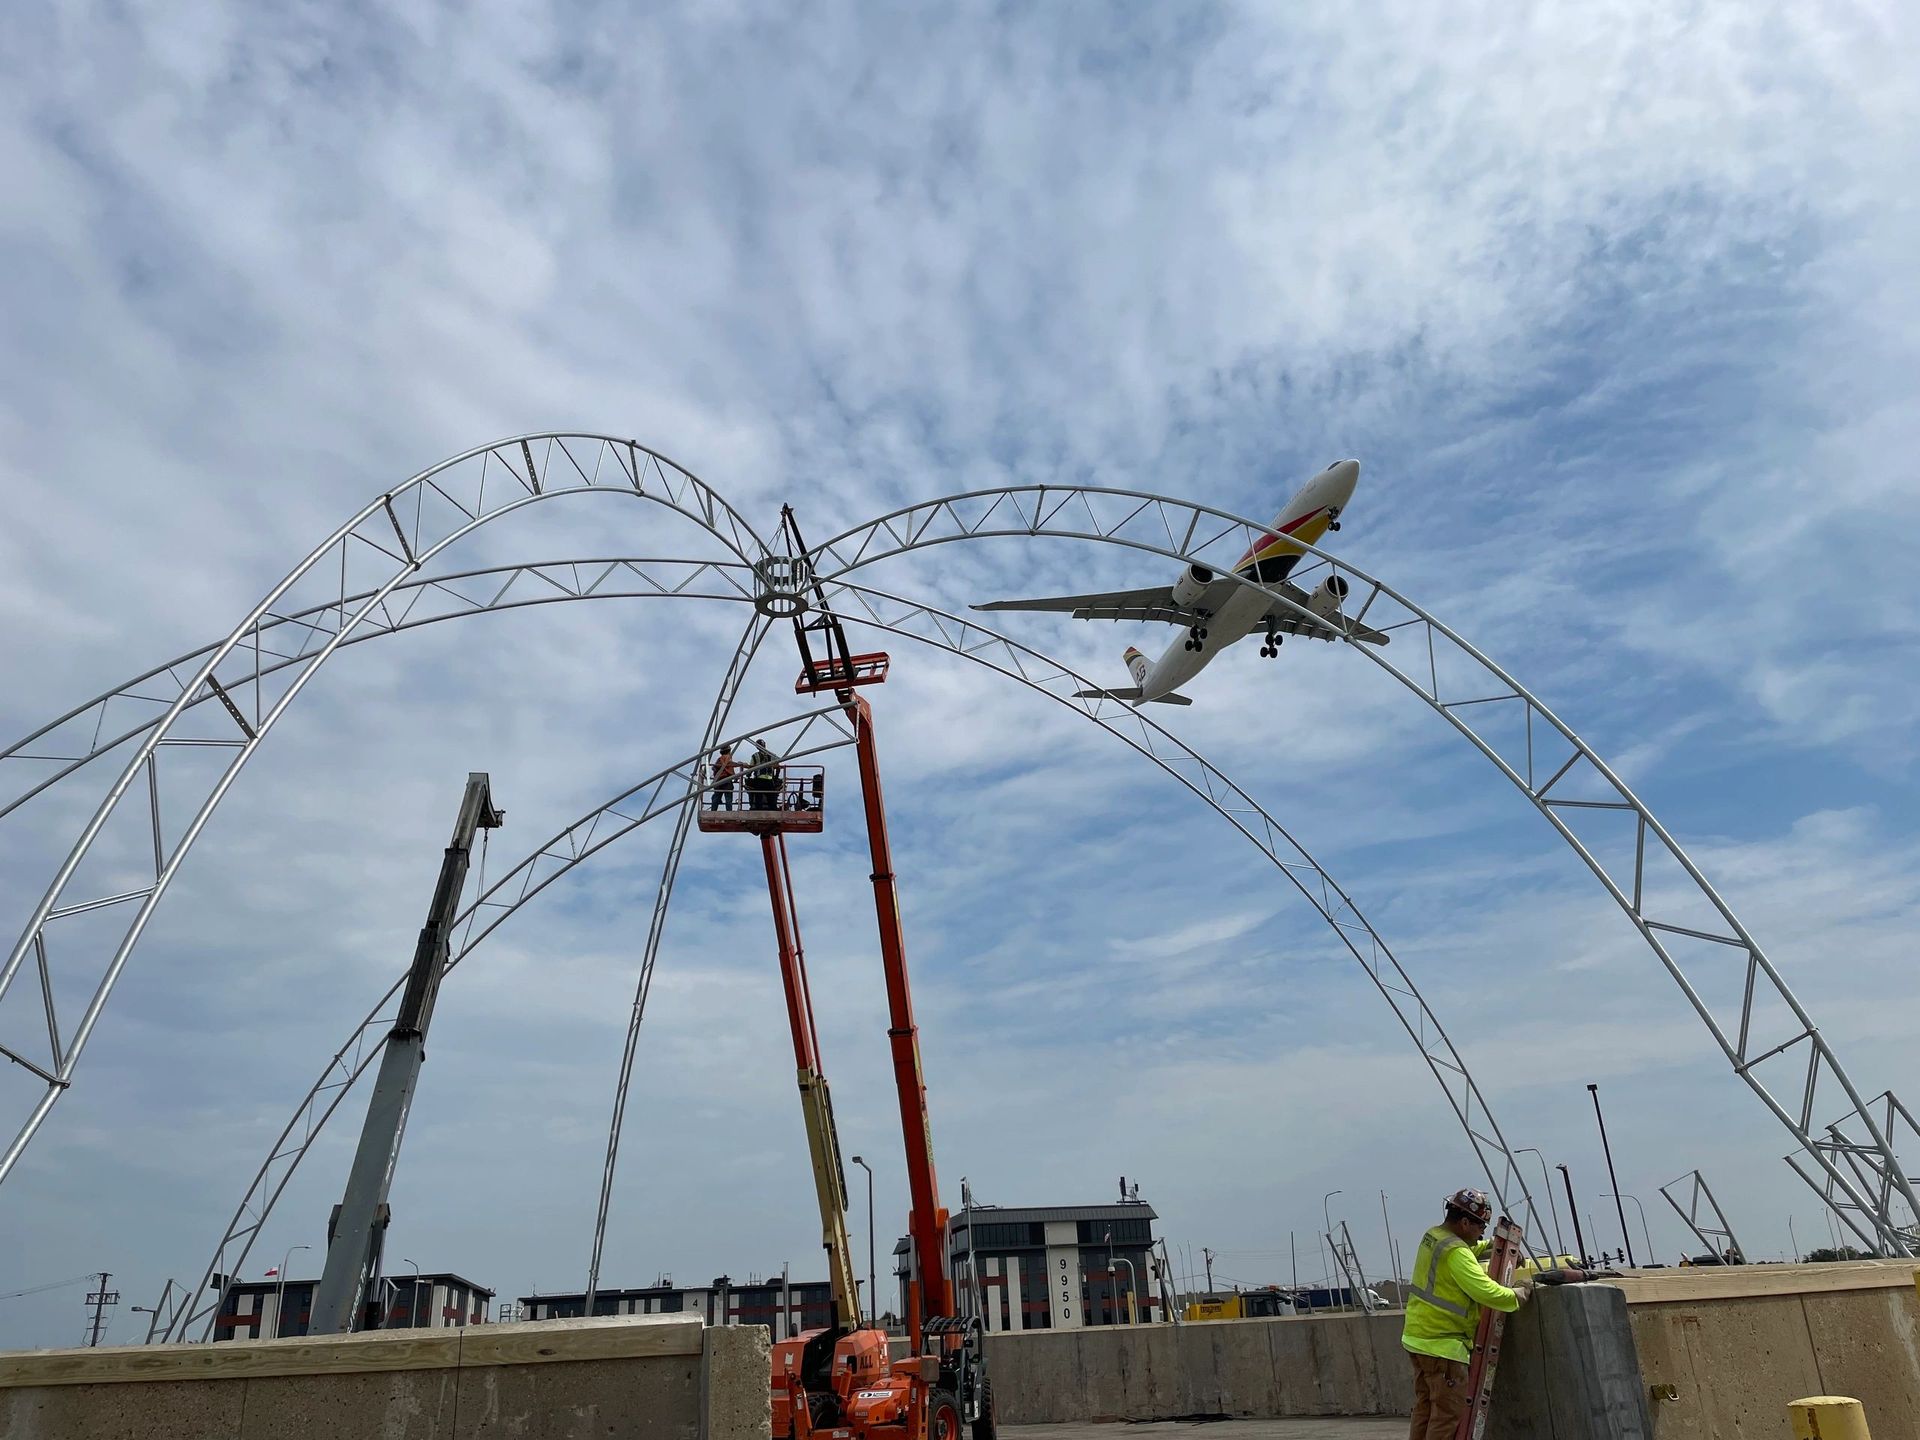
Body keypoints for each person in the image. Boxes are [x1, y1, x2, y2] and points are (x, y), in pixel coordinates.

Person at [1401, 1188, 1530, 1440]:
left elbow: (1465, 1248)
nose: (1482, 1232)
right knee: (1446, 1416)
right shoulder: (1457, 1253)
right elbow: (1485, 1292)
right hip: (1443, 1347)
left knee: (1425, 1410)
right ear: (1464, 1222)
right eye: (1481, 1226)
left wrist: (1489, 1246)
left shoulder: (1434, 1236)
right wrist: (1518, 1295)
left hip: (1418, 1339)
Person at [745, 737, 781, 811]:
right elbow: (778, 767)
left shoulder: (755, 756)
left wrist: (748, 775)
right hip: (769, 779)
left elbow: (751, 768)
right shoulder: (772, 755)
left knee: (758, 796)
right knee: (771, 797)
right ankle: (773, 810)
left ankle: (758, 810)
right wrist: (776, 777)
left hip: (759, 779)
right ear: (765, 745)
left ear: (757, 746)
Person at [709, 743, 738, 810]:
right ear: (729, 751)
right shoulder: (728, 758)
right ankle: (729, 812)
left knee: (716, 797)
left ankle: (713, 811)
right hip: (726, 780)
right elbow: (730, 767)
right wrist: (735, 776)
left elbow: (714, 768)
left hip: (718, 781)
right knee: (728, 798)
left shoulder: (719, 759)